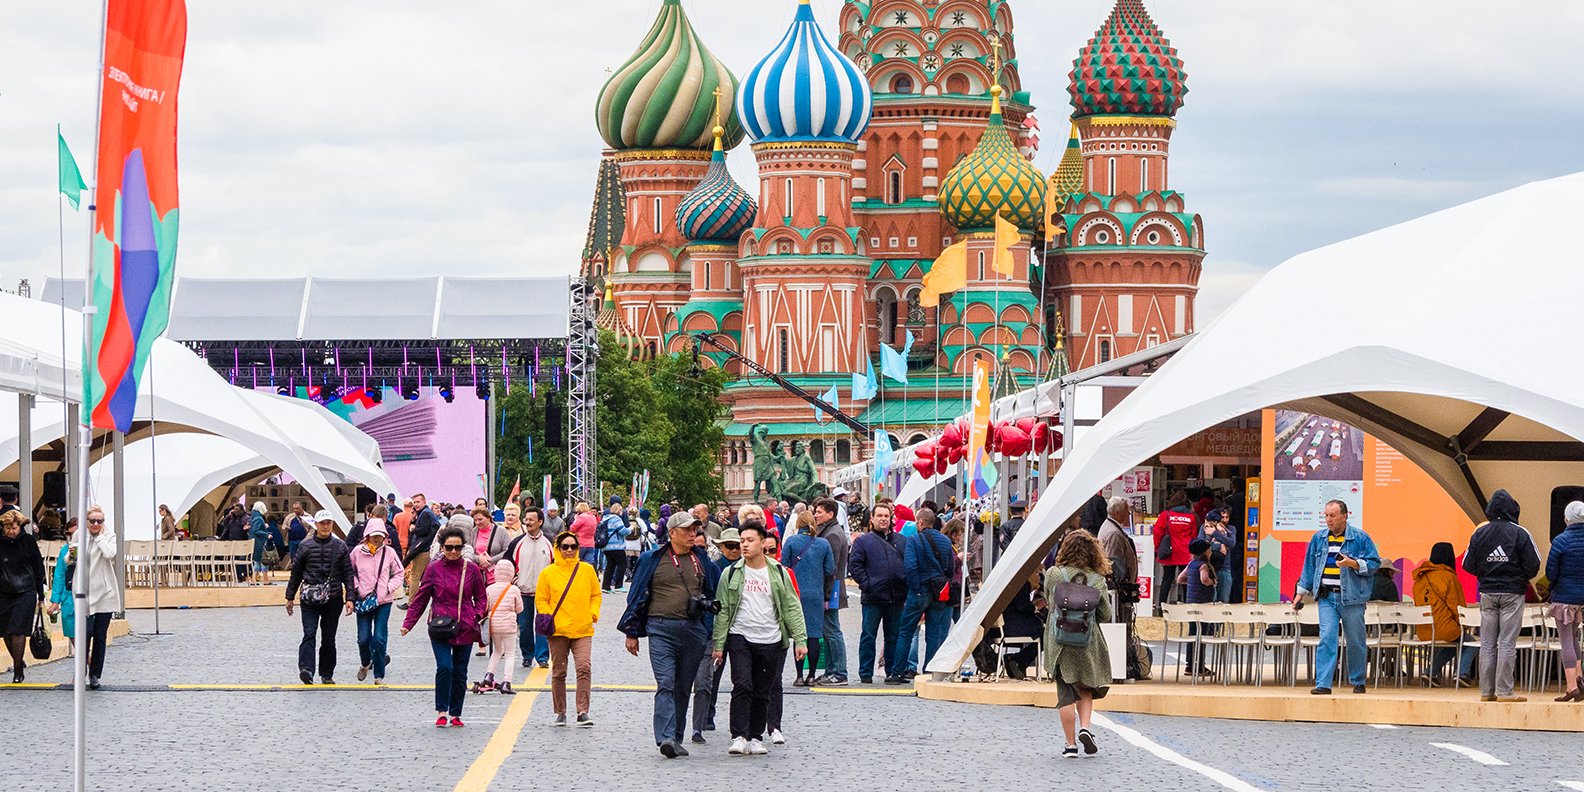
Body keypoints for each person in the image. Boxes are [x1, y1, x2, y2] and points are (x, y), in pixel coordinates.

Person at [618, 511, 722, 758]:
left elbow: (716, 591)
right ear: (672, 533)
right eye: (686, 530)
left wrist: (710, 628)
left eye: (694, 529)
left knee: (683, 686)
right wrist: (631, 632)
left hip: (694, 631)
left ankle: (676, 737)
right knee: (665, 682)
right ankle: (665, 736)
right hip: (660, 628)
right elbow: (636, 597)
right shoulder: (652, 558)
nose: (692, 534)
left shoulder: (702, 559)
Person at [711, 522, 807, 756]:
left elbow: (792, 606)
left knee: (762, 690)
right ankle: (738, 735)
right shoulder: (731, 572)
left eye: (750, 540)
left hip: (771, 637)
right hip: (740, 635)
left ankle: (756, 736)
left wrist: (800, 640)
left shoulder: (778, 572)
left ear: (763, 543)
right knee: (742, 685)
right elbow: (723, 610)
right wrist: (719, 644)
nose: (744, 544)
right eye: (742, 540)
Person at [402, 526, 488, 727]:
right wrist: (408, 623)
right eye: (449, 547)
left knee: (460, 671)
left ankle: (456, 713)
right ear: (442, 547)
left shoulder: (472, 569)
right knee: (444, 667)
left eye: (458, 548)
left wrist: (475, 616)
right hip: (440, 625)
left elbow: (482, 598)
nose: (453, 552)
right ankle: (442, 710)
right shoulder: (433, 569)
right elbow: (421, 598)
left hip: (465, 625)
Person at [1294, 499, 1380, 695]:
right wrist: (1300, 593)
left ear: (1345, 515)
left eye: (1333, 515)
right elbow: (1309, 567)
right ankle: (1323, 683)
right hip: (1326, 598)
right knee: (1327, 637)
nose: (1329, 519)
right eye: (1326, 515)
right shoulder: (1319, 538)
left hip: (1352, 598)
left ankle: (1358, 680)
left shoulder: (1360, 538)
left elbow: (1374, 563)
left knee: (1356, 640)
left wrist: (1354, 563)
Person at [1463, 488, 1540, 703]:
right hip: (1513, 594)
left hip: (1487, 593)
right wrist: (1518, 576)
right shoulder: (1520, 532)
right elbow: (1534, 565)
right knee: (1507, 642)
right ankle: (1505, 691)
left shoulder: (1479, 533)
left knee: (1487, 643)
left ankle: (1486, 692)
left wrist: (1485, 573)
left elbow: (1467, 563)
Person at [1043, 530, 1114, 758]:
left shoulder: (1054, 574)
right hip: (1087, 641)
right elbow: (1105, 615)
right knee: (1085, 687)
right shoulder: (1097, 579)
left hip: (1059, 641)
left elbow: (1049, 602)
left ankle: (1070, 744)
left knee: (1065, 692)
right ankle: (1085, 728)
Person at [537, 531, 602, 725]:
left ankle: (582, 710)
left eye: (573, 546)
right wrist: (550, 617)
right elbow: (541, 599)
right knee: (559, 671)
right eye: (565, 547)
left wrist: (592, 613)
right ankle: (561, 711)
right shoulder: (548, 573)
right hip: (558, 630)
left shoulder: (587, 570)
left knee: (584, 668)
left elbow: (596, 595)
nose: (569, 550)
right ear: (558, 548)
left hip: (582, 628)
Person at [286, 510, 354, 685]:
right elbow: (296, 573)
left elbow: (348, 573)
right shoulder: (305, 546)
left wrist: (350, 598)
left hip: (333, 598)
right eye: (322, 523)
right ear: (316, 524)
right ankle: (306, 669)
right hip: (309, 598)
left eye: (328, 523)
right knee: (309, 633)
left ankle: (327, 672)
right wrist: (290, 596)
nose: (325, 526)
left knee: (329, 637)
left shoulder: (340, 546)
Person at [690, 528, 743, 742]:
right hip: (716, 629)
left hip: (740, 628)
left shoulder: (746, 568)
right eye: (729, 546)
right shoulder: (714, 568)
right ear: (721, 547)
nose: (734, 550)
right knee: (711, 675)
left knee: (740, 676)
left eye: (737, 546)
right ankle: (707, 714)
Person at [850, 501, 907, 684]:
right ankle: (865, 672)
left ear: (891, 519)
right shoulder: (863, 541)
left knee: (893, 636)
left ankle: (891, 671)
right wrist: (867, 585)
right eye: (879, 516)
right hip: (872, 597)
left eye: (886, 516)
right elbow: (855, 566)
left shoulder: (901, 541)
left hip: (896, 597)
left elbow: (908, 564)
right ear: (872, 519)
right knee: (868, 635)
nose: (883, 519)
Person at [897, 507, 957, 676]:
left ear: (921, 522)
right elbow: (950, 569)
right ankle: (930, 671)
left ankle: (898, 671)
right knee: (934, 634)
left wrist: (915, 589)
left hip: (920, 589)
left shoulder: (914, 540)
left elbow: (910, 567)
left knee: (906, 631)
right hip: (939, 591)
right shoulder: (946, 541)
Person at [1411, 541, 1476, 688]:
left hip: (1424, 631)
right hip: (1444, 629)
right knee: (1470, 642)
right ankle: (1462, 673)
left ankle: (1430, 672)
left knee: (1452, 644)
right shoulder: (1449, 577)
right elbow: (1458, 607)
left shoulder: (1419, 579)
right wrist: (1462, 624)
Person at [780, 510, 834, 686]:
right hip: (816, 594)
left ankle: (798, 675)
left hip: (795, 594)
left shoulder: (791, 541)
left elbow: (784, 567)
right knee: (813, 635)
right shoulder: (823, 544)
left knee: (798, 635)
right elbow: (830, 570)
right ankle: (811, 675)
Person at [348, 518, 404, 685]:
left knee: (379, 638)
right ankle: (365, 663)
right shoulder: (357, 552)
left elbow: (399, 573)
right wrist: (357, 587)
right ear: (367, 535)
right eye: (374, 535)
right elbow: (349, 572)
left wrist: (388, 587)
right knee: (363, 638)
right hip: (364, 599)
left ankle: (379, 675)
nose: (377, 538)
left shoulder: (389, 553)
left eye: (380, 536)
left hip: (383, 600)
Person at [807, 497, 850, 685]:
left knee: (832, 631)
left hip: (830, 591)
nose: (815, 515)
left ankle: (839, 672)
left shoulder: (831, 534)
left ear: (830, 514)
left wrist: (825, 595)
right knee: (829, 631)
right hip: (831, 590)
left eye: (819, 512)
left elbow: (830, 570)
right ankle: (832, 670)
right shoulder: (830, 531)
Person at [506, 506, 554, 669]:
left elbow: (556, 565)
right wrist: (513, 580)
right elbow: (507, 563)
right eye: (526, 519)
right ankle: (527, 655)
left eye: (531, 520)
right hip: (523, 591)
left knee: (542, 624)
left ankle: (542, 657)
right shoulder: (516, 543)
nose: (528, 523)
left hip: (544, 592)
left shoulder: (550, 542)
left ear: (540, 522)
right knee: (525, 626)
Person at [0, 510, 44, 683]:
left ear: (20, 526)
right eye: (7, 528)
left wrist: (41, 595)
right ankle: (19, 661)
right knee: (5, 631)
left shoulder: (28, 541)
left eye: (14, 527)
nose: (11, 531)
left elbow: (38, 567)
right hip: (4, 590)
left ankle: (18, 670)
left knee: (17, 630)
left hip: (26, 589)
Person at [1546, 502, 1584, 701]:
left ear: (1567, 518)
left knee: (1566, 640)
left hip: (1565, 598)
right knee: (1575, 637)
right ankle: (1579, 680)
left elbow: (1550, 572)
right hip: (1581, 600)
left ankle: (1571, 687)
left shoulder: (1561, 540)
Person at [477, 559, 525, 694]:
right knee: (510, 654)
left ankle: (489, 675)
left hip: (494, 625)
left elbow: (485, 606)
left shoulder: (490, 588)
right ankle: (507, 682)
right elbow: (520, 609)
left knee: (497, 651)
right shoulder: (514, 589)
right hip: (509, 625)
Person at [1176, 538, 1217, 678]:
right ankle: (1199, 665)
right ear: (1204, 552)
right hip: (1202, 605)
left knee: (1192, 634)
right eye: (1209, 549)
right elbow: (1204, 580)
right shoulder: (1203, 566)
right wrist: (1212, 582)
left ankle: (1189, 664)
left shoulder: (1191, 564)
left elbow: (1180, 579)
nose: (1211, 552)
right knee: (1202, 634)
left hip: (1190, 604)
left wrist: (1191, 582)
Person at [1151, 491, 1197, 608]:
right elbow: (1193, 536)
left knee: (1166, 579)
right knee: (1186, 581)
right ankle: (1188, 606)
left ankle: (1161, 606)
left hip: (1169, 552)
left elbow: (1157, 532)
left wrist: (1158, 549)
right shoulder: (1191, 517)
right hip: (1186, 552)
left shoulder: (1166, 515)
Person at [47, 518, 79, 656]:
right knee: (69, 625)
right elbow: (59, 574)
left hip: (89, 595)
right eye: (70, 535)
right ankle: (84, 658)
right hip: (68, 592)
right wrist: (55, 600)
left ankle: (87, 660)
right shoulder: (65, 550)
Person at [403, 493, 441, 603]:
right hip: (425, 548)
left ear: (424, 502)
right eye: (414, 502)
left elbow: (424, 531)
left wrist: (414, 528)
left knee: (415, 575)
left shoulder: (425, 513)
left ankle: (412, 602)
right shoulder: (426, 513)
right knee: (424, 576)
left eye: (418, 502)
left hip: (422, 549)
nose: (415, 504)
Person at [1197, 509, 1237, 603]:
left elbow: (1231, 543)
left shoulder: (1230, 529)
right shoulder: (1204, 527)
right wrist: (1219, 545)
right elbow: (1200, 545)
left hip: (1224, 567)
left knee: (1223, 599)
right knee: (1211, 599)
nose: (1225, 520)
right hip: (1209, 566)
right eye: (1222, 517)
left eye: (1227, 517)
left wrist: (1215, 533)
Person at [600, 500, 631, 592]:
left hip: (606, 546)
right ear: (618, 510)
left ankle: (606, 586)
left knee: (610, 565)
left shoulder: (605, 518)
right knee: (622, 564)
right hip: (616, 545)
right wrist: (630, 529)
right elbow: (623, 531)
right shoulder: (616, 519)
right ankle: (618, 585)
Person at [249, 501, 274, 585]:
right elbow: (257, 530)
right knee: (264, 561)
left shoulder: (254, 518)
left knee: (257, 562)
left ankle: (254, 579)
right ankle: (265, 580)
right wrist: (267, 535)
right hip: (259, 543)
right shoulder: (259, 518)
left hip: (255, 542)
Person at [571, 501, 599, 568]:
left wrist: (575, 519)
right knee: (588, 566)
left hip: (580, 543)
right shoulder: (593, 517)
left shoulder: (581, 517)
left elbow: (572, 528)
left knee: (577, 565)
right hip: (591, 544)